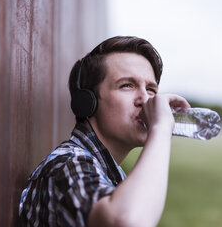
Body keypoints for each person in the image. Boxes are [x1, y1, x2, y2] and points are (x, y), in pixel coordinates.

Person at [19, 36, 190, 226]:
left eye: (151, 89)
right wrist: (160, 129)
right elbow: (127, 221)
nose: (146, 99)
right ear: (87, 102)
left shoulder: (109, 172)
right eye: (127, 85)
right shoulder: (67, 165)